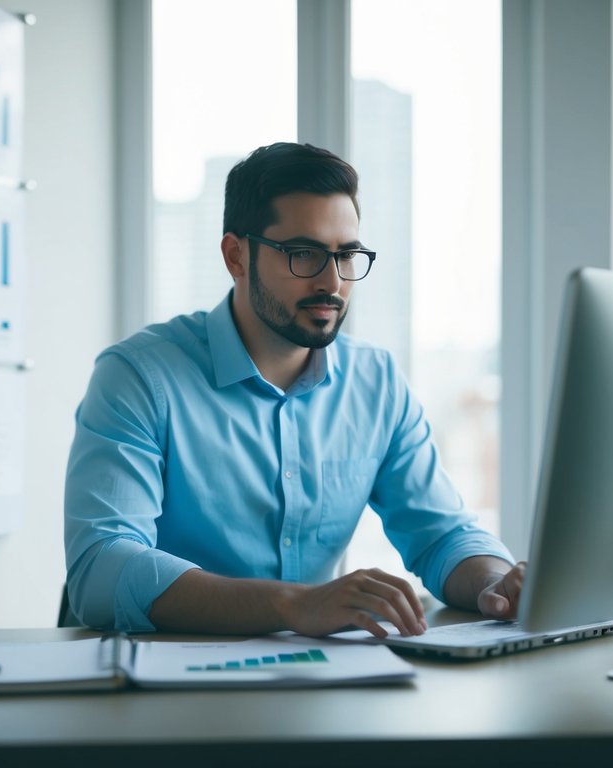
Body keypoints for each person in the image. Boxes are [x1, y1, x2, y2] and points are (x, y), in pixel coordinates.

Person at [64, 142, 524, 637]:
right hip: (162, 690)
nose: (332, 281)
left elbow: (442, 535)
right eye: (303, 253)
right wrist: (292, 605)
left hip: (312, 678)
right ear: (236, 256)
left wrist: (498, 584)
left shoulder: (376, 382)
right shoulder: (139, 376)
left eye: (346, 255)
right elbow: (101, 569)